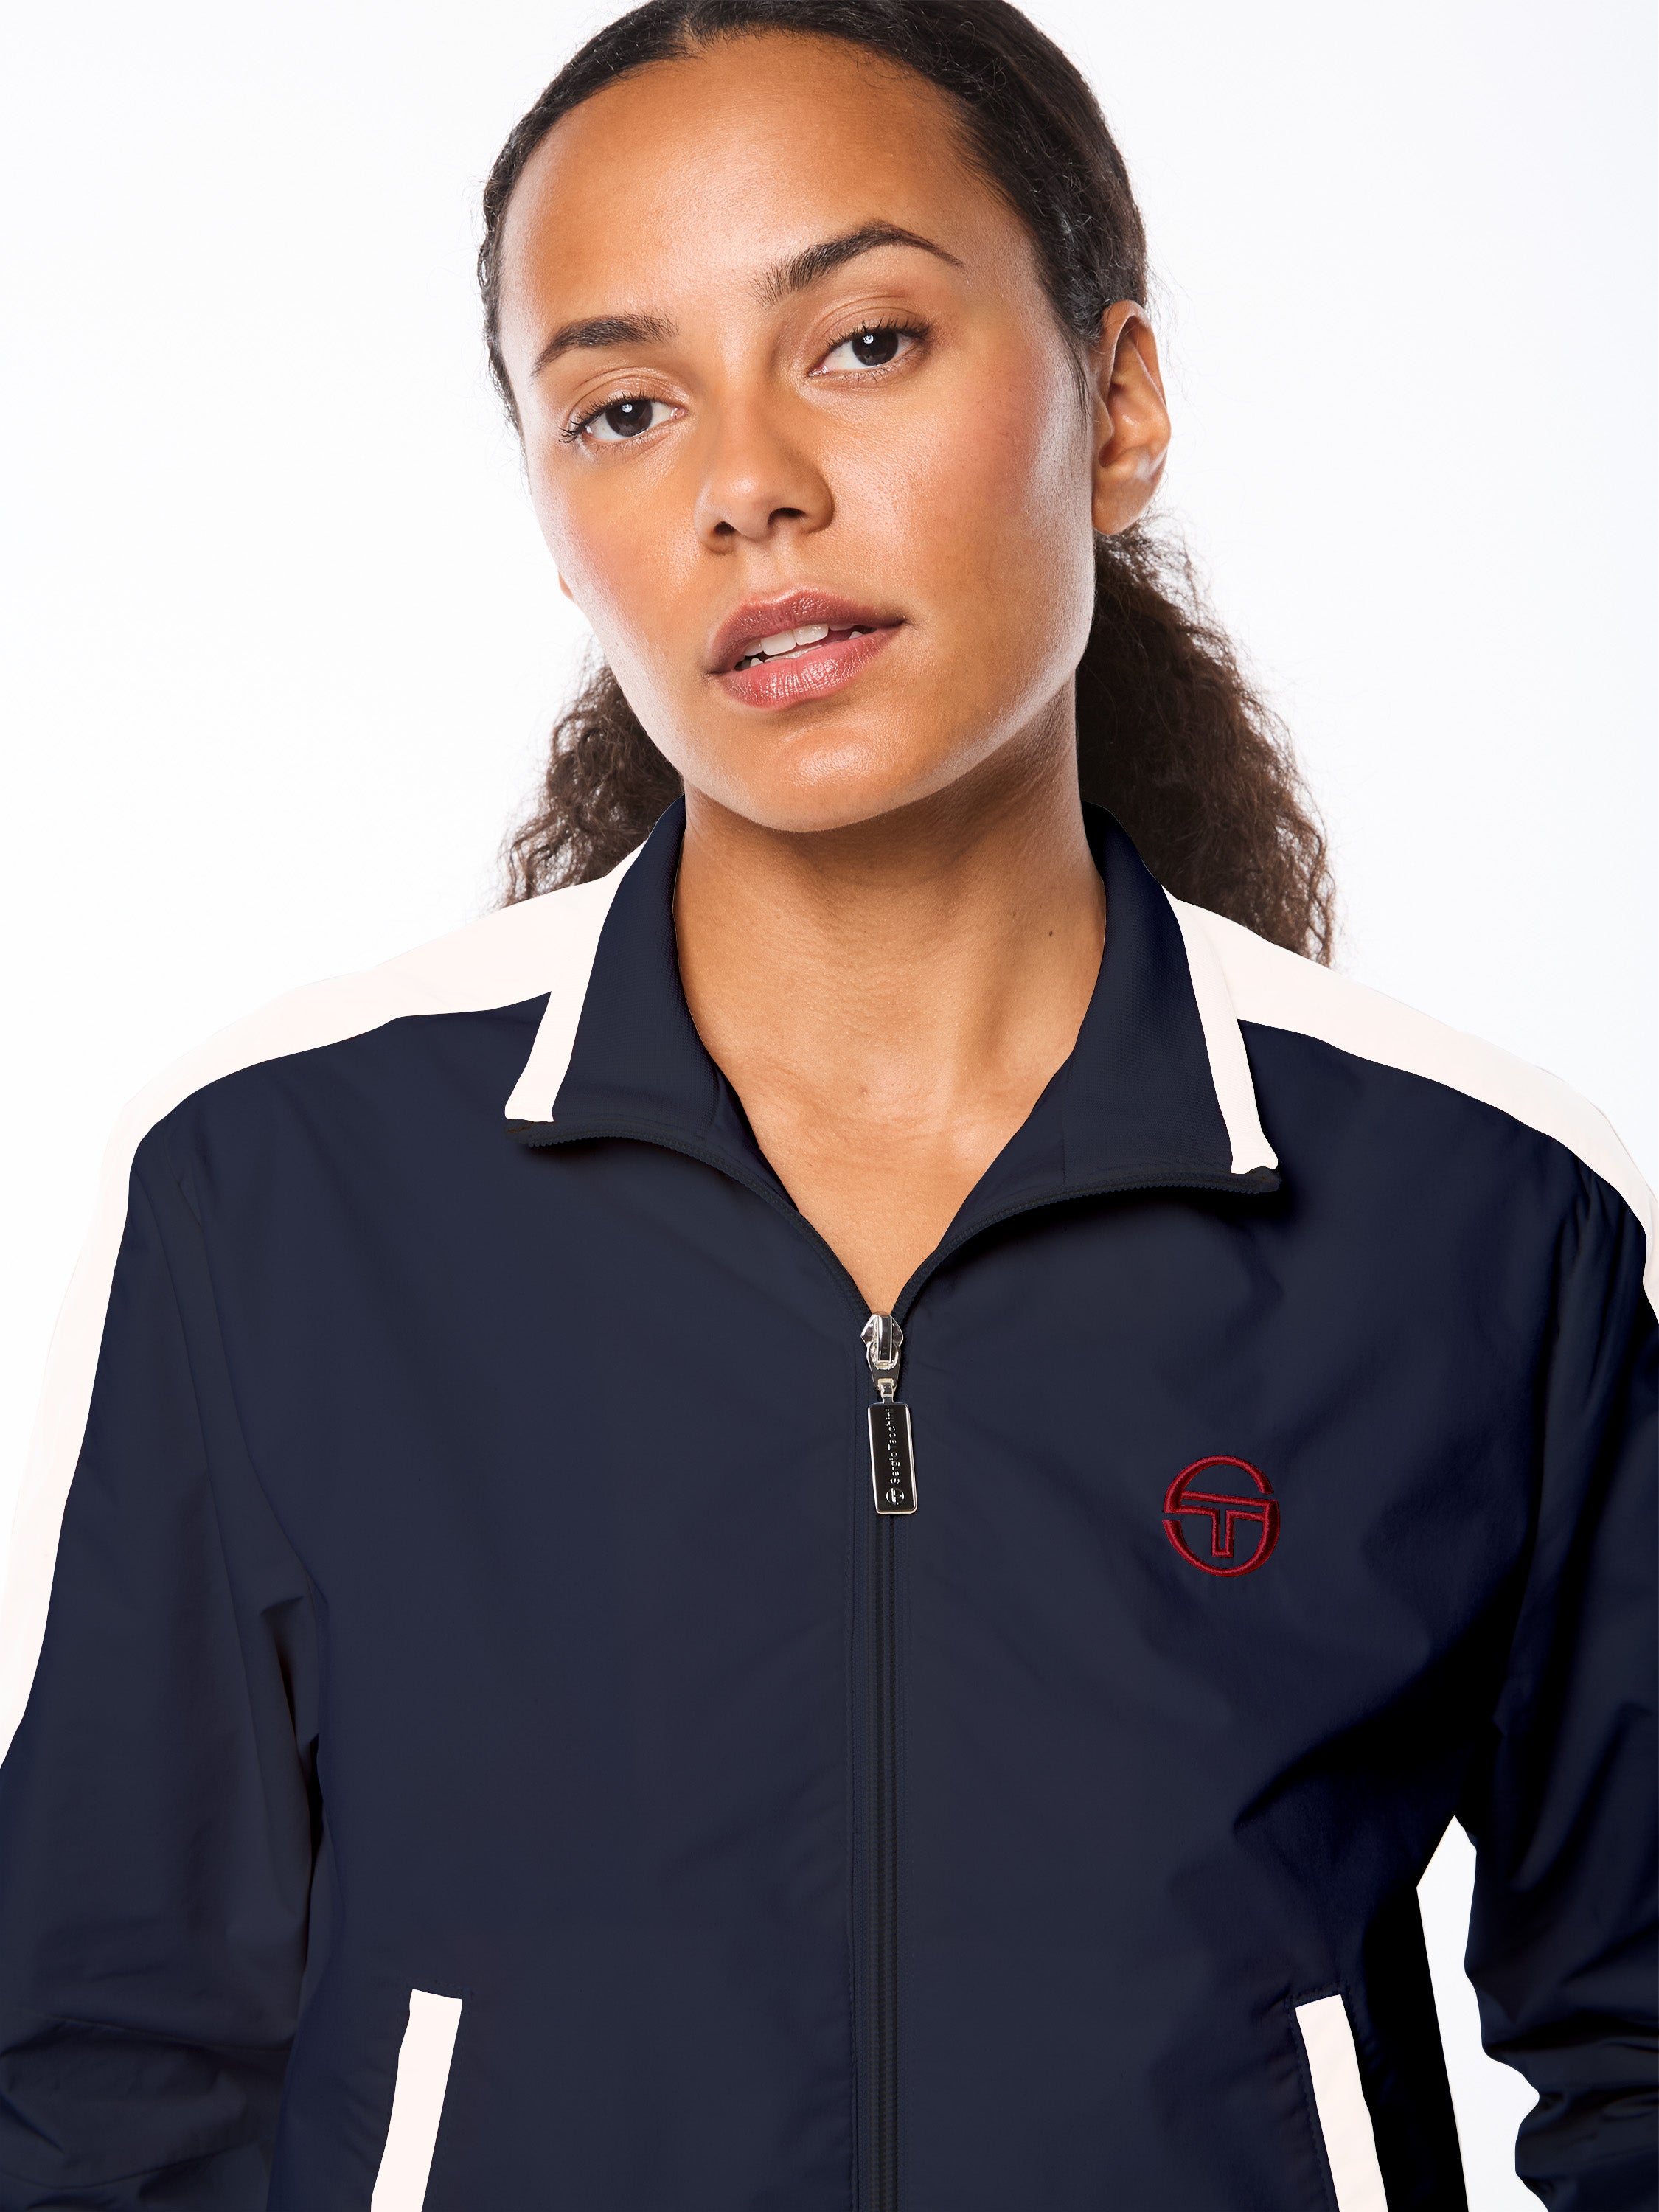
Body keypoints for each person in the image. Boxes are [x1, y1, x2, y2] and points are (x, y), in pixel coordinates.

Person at [0, 0, 1652, 2205]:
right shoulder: (281, 1192)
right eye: (622, 406)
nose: (746, 483)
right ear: (554, 517)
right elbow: (105, 2077)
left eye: (864, 343)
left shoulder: (1477, 1220)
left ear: (1117, 405)